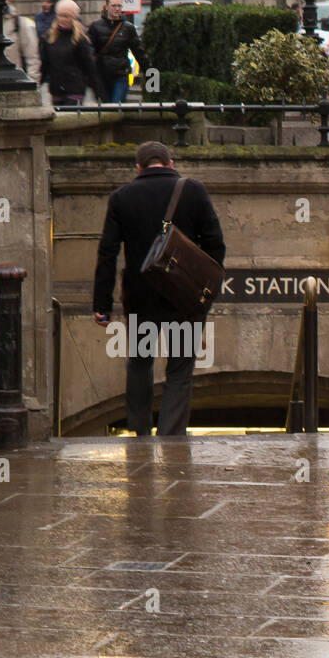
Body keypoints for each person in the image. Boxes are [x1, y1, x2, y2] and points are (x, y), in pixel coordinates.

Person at [92, 141, 226, 437]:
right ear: (171, 163)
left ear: (138, 168)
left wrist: (101, 304)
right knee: (180, 370)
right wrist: (203, 288)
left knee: (140, 364)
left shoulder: (120, 198)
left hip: (141, 297)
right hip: (186, 300)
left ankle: (141, 435)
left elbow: (108, 254)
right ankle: (171, 438)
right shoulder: (193, 190)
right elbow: (216, 243)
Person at [40, 0, 103, 106]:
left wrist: (98, 92)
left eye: (67, 16)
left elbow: (89, 67)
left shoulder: (79, 40)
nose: (63, 19)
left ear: (73, 18)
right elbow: (45, 65)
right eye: (60, 15)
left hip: (75, 89)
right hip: (56, 89)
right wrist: (39, 84)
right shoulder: (48, 38)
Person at [88, 0, 149, 104]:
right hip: (102, 75)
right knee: (105, 109)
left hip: (120, 74)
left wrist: (149, 72)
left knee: (117, 106)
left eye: (119, 6)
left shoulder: (128, 28)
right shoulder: (96, 26)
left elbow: (138, 51)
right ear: (106, 7)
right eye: (114, 6)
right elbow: (89, 51)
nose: (117, 9)